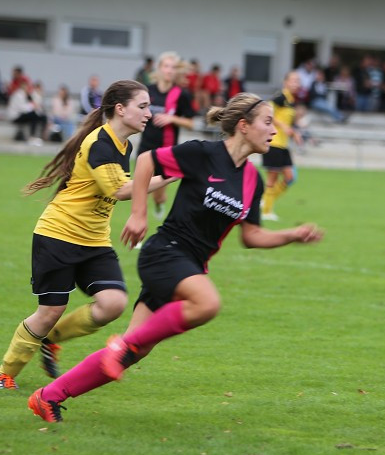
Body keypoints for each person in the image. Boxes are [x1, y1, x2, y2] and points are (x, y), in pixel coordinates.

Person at [27, 92, 324, 422]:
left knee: (132, 352)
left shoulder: (252, 179)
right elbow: (146, 161)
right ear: (243, 126)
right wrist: (139, 214)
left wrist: (291, 236)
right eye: (267, 123)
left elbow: (252, 236)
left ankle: (48, 396)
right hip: (165, 254)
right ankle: (120, 348)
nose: (273, 131)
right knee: (207, 303)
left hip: (190, 265)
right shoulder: (203, 153)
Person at [0, 79, 176, 391]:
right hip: (58, 235)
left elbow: (125, 182)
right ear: (120, 109)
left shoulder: (123, 145)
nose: (148, 113)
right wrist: (168, 175)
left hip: (94, 240)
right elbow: (119, 190)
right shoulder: (100, 143)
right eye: (142, 106)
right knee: (50, 311)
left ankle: (51, 340)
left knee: (113, 304)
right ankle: (4, 372)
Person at [138, 51, 196, 218]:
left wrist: (172, 118)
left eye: (173, 67)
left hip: (166, 150)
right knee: (142, 190)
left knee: (159, 195)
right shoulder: (147, 92)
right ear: (159, 68)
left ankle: (159, 203)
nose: (169, 70)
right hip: (146, 147)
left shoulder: (181, 94)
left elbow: (191, 123)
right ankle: (138, 232)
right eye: (166, 66)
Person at [260, 71, 302, 222]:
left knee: (291, 177)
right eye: (293, 80)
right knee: (272, 178)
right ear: (285, 82)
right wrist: (283, 126)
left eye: (298, 81)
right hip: (274, 143)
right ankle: (266, 210)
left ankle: (264, 200)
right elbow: (267, 111)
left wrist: (295, 133)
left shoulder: (291, 100)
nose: (296, 83)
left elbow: (288, 123)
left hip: (283, 145)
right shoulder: (280, 97)